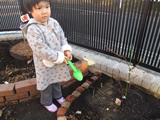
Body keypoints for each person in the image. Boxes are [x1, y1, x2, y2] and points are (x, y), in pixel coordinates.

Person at [20, 0, 72, 112]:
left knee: (57, 79)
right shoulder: (33, 29)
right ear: (29, 10)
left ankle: (58, 96)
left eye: (47, 7)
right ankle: (46, 101)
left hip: (58, 60)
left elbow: (62, 37)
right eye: (39, 8)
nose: (44, 11)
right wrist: (60, 58)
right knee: (46, 83)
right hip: (44, 63)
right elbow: (41, 50)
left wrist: (66, 49)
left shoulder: (54, 22)